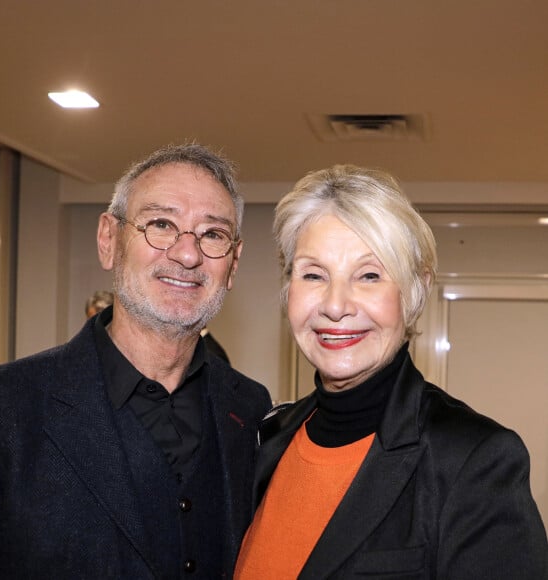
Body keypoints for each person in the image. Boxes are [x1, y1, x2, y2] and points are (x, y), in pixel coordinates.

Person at [0, 143, 272, 579]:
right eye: (161, 224)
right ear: (109, 240)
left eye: (213, 234)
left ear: (234, 263)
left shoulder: (251, 409)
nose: (188, 255)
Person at [235, 165, 548, 579]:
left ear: (413, 293)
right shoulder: (270, 439)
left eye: (368, 276)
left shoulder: (473, 460)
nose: (335, 305)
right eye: (313, 274)